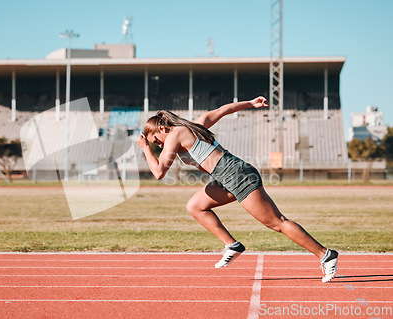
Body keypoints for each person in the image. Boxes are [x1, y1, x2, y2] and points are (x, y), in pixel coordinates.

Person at [137, 96, 338, 283]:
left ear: (162, 128)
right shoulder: (195, 126)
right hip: (226, 177)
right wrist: (251, 103)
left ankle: (326, 255)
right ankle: (232, 245)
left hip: (237, 175)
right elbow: (224, 110)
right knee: (195, 206)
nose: (159, 146)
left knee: (277, 223)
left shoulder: (174, 134)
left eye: (156, 141)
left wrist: (146, 148)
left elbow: (159, 172)